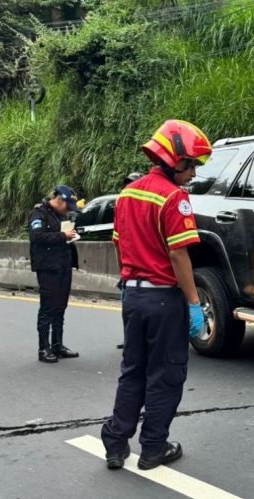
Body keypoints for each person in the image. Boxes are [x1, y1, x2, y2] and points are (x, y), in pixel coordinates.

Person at [101, 119, 210, 471]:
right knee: (166, 373)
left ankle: (116, 444)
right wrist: (194, 303)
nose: (193, 173)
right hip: (164, 300)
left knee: (133, 370)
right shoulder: (174, 198)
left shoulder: (128, 194)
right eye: (191, 164)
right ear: (174, 160)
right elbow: (179, 254)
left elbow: (119, 245)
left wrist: (129, 281)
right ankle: (153, 447)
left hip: (133, 297)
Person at [28, 185, 81, 363]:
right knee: (47, 308)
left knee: (60, 307)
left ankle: (57, 345)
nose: (68, 210)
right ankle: (43, 348)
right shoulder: (39, 213)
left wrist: (70, 236)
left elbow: (63, 236)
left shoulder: (60, 215)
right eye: (67, 206)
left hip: (63, 266)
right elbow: (37, 237)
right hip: (48, 268)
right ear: (59, 199)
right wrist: (61, 236)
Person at [115, 172, 144, 350]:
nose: (128, 187)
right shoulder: (122, 204)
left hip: (143, 272)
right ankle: (130, 339)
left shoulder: (146, 207)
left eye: (132, 183)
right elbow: (117, 241)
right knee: (127, 308)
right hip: (128, 270)